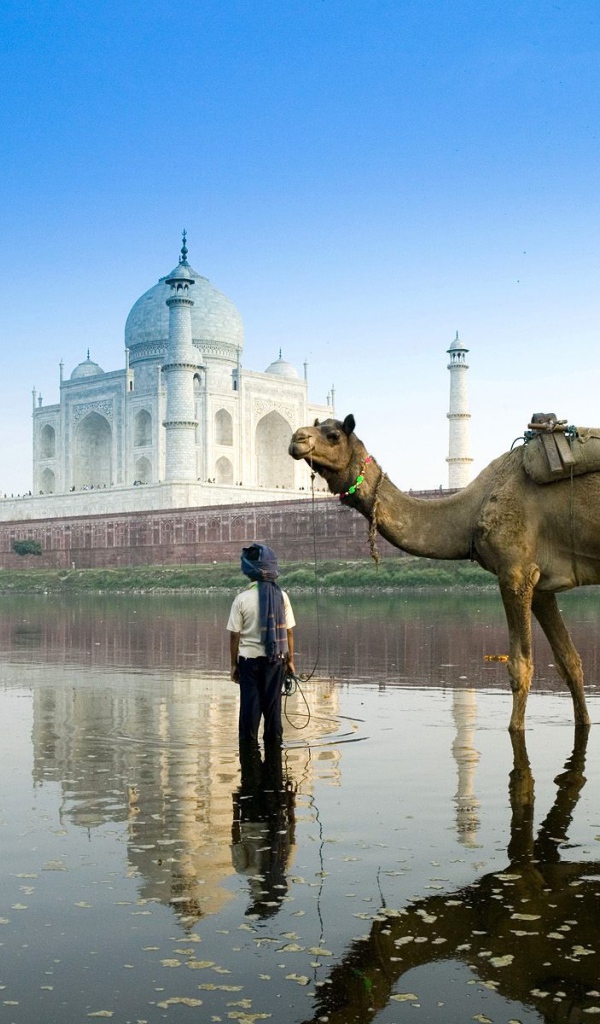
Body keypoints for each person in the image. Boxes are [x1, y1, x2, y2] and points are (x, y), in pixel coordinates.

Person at [227, 543, 296, 746]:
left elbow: (234, 635)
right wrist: (290, 661)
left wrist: (233, 665)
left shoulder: (241, 599)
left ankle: (249, 754)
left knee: (250, 707)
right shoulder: (281, 597)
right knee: (273, 707)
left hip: (249, 662)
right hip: (276, 660)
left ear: (249, 572)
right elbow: (289, 631)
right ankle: (274, 753)